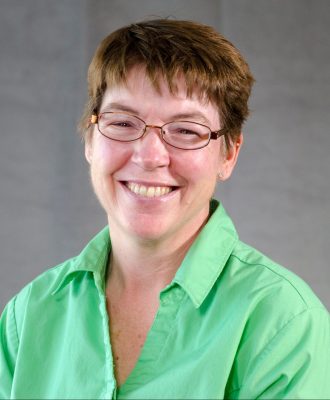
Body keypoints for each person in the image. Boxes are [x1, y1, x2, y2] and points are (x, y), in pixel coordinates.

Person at [0, 19, 329, 400]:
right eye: (122, 122)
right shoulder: (28, 316)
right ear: (90, 141)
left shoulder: (283, 321)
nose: (149, 155)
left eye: (186, 130)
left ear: (229, 154)